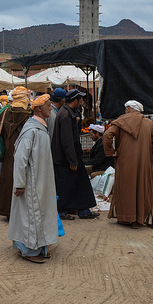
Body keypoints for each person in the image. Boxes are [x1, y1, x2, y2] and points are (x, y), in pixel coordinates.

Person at [8, 94, 58, 263]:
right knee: (31, 216)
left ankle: (40, 248)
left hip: (41, 182)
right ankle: (29, 250)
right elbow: (20, 158)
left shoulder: (40, 128)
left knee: (39, 214)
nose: (51, 108)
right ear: (38, 108)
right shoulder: (30, 131)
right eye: (48, 105)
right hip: (31, 183)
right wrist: (20, 183)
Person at [103, 100, 153, 228]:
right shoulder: (149, 123)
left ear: (129, 109)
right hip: (144, 164)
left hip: (124, 163)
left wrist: (111, 152)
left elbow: (107, 135)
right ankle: (138, 220)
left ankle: (124, 218)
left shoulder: (120, 122)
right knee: (141, 189)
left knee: (126, 189)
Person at [51, 89, 98, 220]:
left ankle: (83, 210)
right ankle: (61, 211)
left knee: (80, 183)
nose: (81, 103)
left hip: (71, 156)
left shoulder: (67, 112)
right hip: (66, 159)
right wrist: (72, 160)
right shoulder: (65, 115)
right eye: (80, 100)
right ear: (75, 100)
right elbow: (66, 141)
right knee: (65, 186)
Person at [0, 87, 32, 218]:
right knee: (22, 179)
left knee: (8, 179)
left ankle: (6, 210)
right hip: (23, 152)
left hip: (7, 151)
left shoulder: (4, 113)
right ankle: (20, 213)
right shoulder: (28, 115)